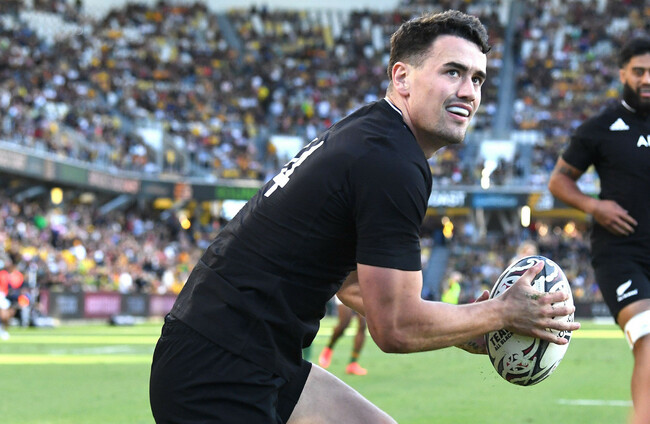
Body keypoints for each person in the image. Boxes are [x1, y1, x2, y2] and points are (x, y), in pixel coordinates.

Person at [150, 10, 579, 423]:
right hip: (219, 370)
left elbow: (353, 286)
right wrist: (501, 313)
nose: (469, 91)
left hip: (237, 352)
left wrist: (470, 326)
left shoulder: (375, 135)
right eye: (453, 72)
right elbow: (395, 328)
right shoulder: (391, 160)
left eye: (477, 78)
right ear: (402, 77)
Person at [548, 35, 650, 424]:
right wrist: (594, 205)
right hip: (622, 255)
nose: (646, 79)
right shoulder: (601, 127)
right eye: (639, 71)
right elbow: (559, 181)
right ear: (623, 73)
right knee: (648, 337)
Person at [318, 296, 368, 376]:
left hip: (362, 293)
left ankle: (353, 363)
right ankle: (329, 348)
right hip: (345, 290)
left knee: (362, 324)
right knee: (344, 324)